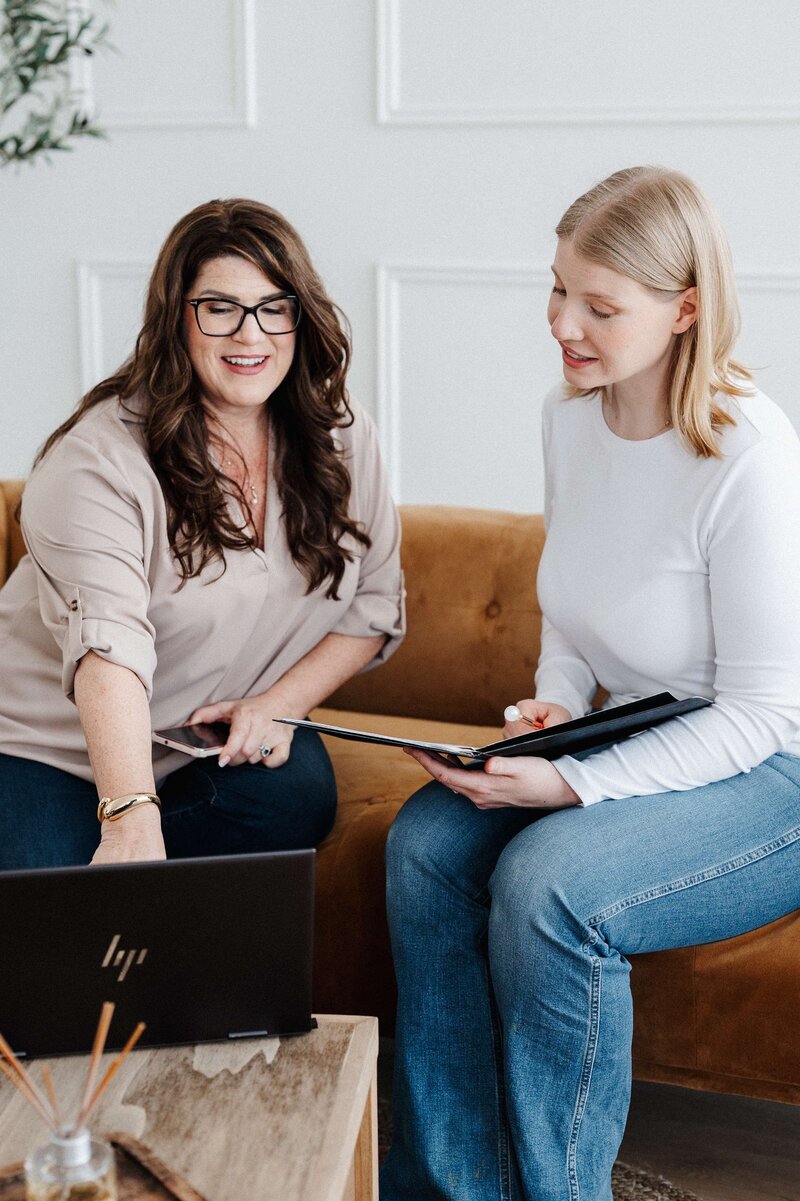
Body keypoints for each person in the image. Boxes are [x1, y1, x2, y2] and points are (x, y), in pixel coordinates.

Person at [381, 166, 800, 1201]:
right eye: (556, 288)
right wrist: (553, 711)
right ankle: (457, 1183)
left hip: (772, 766)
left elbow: (757, 711)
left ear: (684, 308)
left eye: (599, 306)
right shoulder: (568, 418)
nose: (563, 323)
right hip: (636, 731)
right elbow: (569, 610)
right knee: (424, 845)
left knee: (548, 883)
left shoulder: (746, 453)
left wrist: (570, 785)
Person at [0, 198, 404, 869]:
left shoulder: (339, 432)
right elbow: (110, 649)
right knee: (56, 921)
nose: (251, 335)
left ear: (301, 316)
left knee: (297, 793)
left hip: (192, 743)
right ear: (177, 321)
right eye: (219, 308)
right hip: (46, 748)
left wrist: (280, 704)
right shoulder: (98, 461)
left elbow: (375, 604)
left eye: (274, 307)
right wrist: (129, 814)